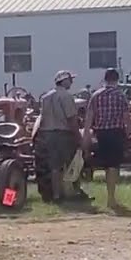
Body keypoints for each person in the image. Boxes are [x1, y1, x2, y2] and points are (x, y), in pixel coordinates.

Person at [83, 68, 131, 208]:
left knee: (106, 165)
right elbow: (126, 117)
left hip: (101, 133)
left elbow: (89, 117)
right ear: (117, 79)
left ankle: (109, 196)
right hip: (116, 132)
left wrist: (86, 135)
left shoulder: (96, 95)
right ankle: (111, 198)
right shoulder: (120, 96)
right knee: (113, 166)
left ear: (105, 79)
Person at [32, 70, 82, 203]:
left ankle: (56, 194)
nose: (71, 82)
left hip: (48, 134)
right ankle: (75, 191)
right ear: (64, 81)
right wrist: (78, 136)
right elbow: (71, 118)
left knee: (55, 166)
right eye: (70, 79)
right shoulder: (67, 96)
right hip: (64, 134)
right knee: (73, 163)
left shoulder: (45, 97)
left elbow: (42, 118)